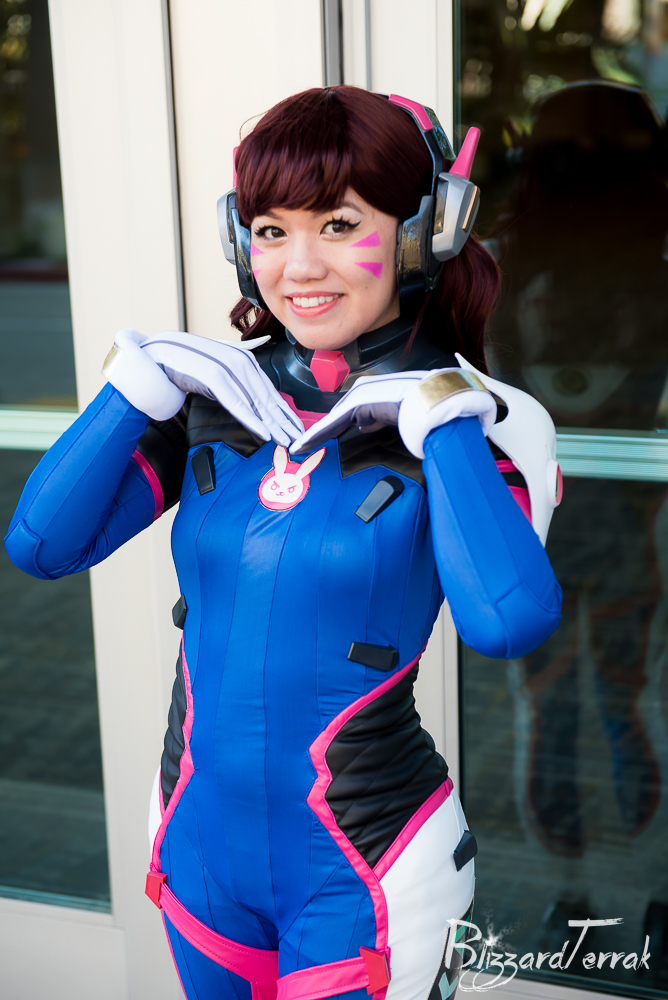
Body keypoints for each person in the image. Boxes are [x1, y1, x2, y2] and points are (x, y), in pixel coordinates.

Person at [4, 87, 562, 1000]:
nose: (300, 266)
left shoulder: (483, 425)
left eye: (340, 224)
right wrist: (131, 392)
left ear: (426, 232)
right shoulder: (217, 398)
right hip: (198, 846)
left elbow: (506, 622)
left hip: (366, 871)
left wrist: (446, 423)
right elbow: (40, 545)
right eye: (271, 230)